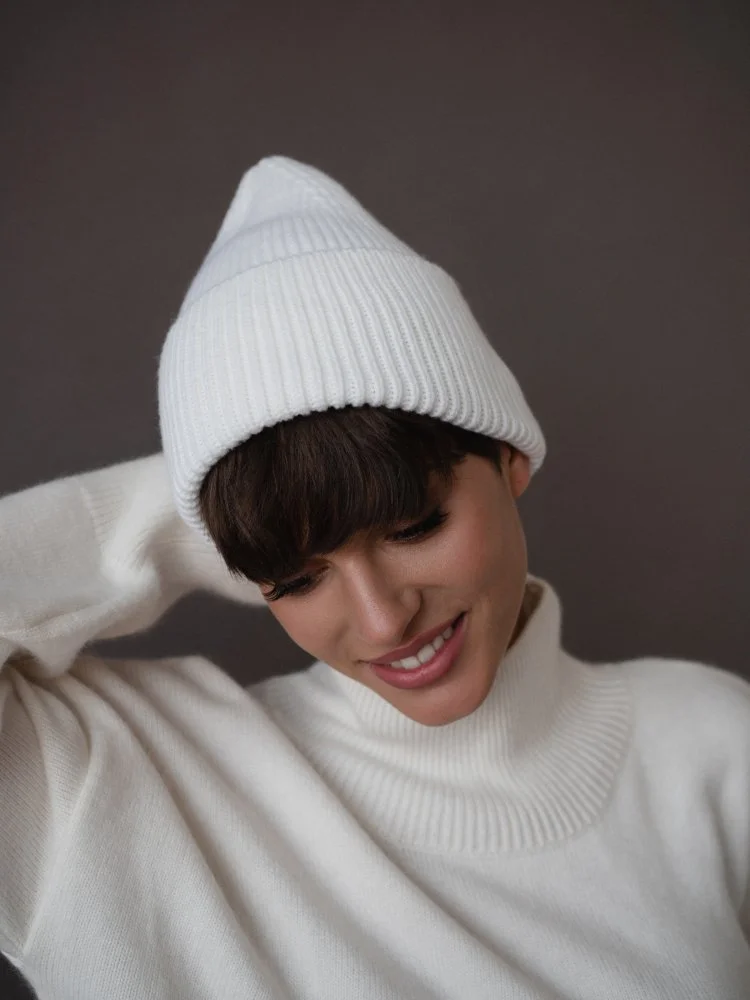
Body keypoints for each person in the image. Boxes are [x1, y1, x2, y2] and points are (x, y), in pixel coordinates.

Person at [0, 156, 748, 1000]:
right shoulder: (105, 792)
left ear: (510, 456)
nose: (385, 621)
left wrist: (284, 498)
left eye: (415, 527)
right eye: (296, 579)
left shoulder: (712, 750)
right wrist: (235, 498)